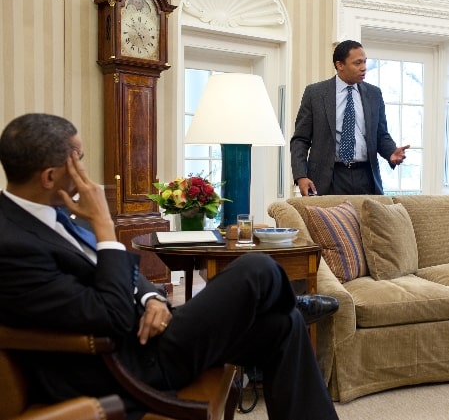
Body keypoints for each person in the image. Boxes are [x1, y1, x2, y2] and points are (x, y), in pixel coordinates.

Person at [0, 113, 340, 420]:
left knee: (284, 324)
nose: (85, 174)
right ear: (49, 176)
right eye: (78, 161)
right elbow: (111, 313)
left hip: (150, 335)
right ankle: (287, 298)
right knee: (256, 268)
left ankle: (288, 306)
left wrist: (153, 300)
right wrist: (105, 225)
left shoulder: (53, 214)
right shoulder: (11, 246)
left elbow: (116, 275)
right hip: (128, 363)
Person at [290, 39, 410, 196]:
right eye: (357, 63)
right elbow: (300, 139)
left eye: (365, 62)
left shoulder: (374, 94)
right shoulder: (315, 94)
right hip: (329, 178)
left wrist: (391, 152)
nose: (363, 68)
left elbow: (380, 134)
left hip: (366, 176)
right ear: (340, 65)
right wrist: (301, 175)